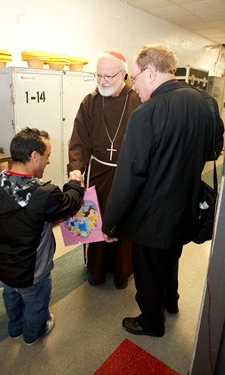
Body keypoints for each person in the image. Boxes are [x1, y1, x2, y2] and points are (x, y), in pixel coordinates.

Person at [102, 44, 224, 337]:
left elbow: (131, 175)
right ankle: (171, 302)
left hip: (152, 215)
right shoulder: (206, 102)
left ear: (151, 72)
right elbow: (214, 150)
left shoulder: (146, 113)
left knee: (148, 270)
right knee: (171, 259)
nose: (134, 86)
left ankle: (151, 321)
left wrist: (111, 222)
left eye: (134, 78)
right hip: (187, 205)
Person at [0, 127, 84, 345]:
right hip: (32, 271)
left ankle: (15, 328)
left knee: (11, 295)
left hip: (3, 266)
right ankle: (33, 334)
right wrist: (75, 182)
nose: (48, 161)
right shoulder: (42, 194)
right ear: (34, 156)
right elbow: (70, 202)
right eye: (47, 156)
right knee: (36, 303)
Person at [67, 48, 141, 289]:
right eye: (98, 75)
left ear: (124, 75)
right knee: (93, 221)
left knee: (123, 221)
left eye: (108, 76)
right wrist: (76, 168)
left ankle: (122, 271)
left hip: (127, 173)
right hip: (96, 171)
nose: (102, 81)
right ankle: (95, 268)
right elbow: (79, 138)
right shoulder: (90, 101)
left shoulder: (139, 98)